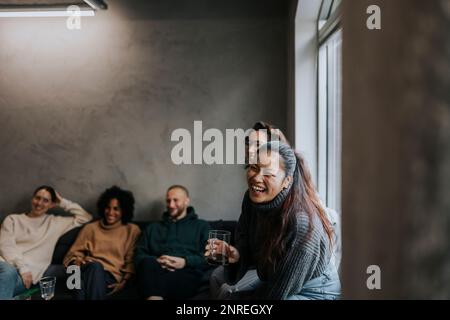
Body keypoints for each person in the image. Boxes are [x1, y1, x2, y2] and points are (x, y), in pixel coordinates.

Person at [207, 142, 341, 299]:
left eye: (268, 173)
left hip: (316, 290)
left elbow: (277, 294)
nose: (256, 178)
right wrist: (236, 255)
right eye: (254, 167)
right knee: (226, 294)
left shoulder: (301, 224)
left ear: (286, 181)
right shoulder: (250, 201)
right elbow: (248, 248)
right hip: (276, 278)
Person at [0, 186, 92, 299]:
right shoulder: (12, 219)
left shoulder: (55, 223)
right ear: (32, 199)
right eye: (37, 198)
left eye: (45, 200)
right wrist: (22, 268)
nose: (39, 203)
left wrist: (62, 202)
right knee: (9, 272)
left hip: (26, 276)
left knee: (9, 278)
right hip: (6, 265)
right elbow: (6, 246)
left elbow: (86, 217)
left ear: (52, 204)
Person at [63, 186, 141, 300]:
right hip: (84, 269)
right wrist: (78, 261)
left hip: (109, 277)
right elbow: (72, 254)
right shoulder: (90, 228)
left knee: (90, 273)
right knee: (77, 273)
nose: (110, 212)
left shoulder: (132, 230)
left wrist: (123, 282)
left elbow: (131, 261)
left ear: (124, 210)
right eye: (108, 207)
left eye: (116, 209)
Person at [134, 185, 210, 300]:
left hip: (186, 273)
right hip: (155, 271)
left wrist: (185, 262)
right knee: (148, 263)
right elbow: (138, 256)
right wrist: (158, 261)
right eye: (168, 201)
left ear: (186, 201)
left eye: (175, 200)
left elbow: (209, 257)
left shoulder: (201, 226)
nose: (170, 205)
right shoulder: (152, 228)